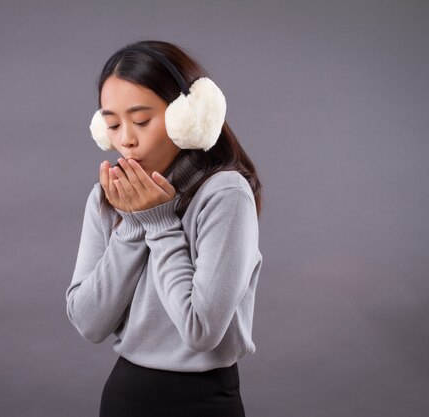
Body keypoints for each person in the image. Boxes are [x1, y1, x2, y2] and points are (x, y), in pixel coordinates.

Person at [65, 39, 264, 417]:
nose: (125, 138)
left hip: (203, 402)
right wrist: (131, 226)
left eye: (141, 120)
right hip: (126, 395)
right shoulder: (107, 197)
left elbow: (200, 331)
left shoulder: (224, 194)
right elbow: (88, 322)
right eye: (112, 123)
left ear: (185, 116)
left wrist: (158, 222)